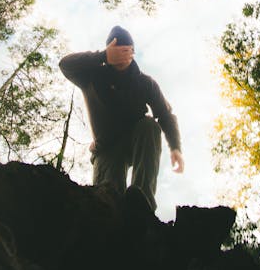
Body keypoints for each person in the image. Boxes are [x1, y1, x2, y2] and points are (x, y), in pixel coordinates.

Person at [59, 25, 184, 211]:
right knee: (107, 204)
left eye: (125, 51)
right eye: (115, 51)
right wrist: (102, 56)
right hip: (107, 149)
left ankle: (143, 202)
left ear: (132, 52)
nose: (121, 57)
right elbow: (65, 65)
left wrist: (175, 147)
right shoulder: (92, 76)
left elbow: (165, 115)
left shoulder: (145, 83)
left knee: (150, 126)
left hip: (136, 140)